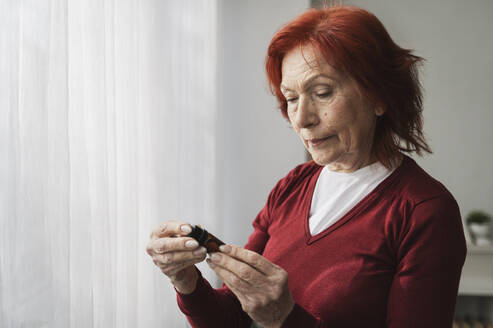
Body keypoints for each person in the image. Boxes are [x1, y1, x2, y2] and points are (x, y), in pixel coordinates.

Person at [146, 6, 466, 328]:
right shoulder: (293, 185)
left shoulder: (424, 212)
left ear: (378, 96)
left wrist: (286, 319)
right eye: (291, 98)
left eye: (322, 92)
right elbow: (231, 319)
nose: (301, 119)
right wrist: (187, 282)